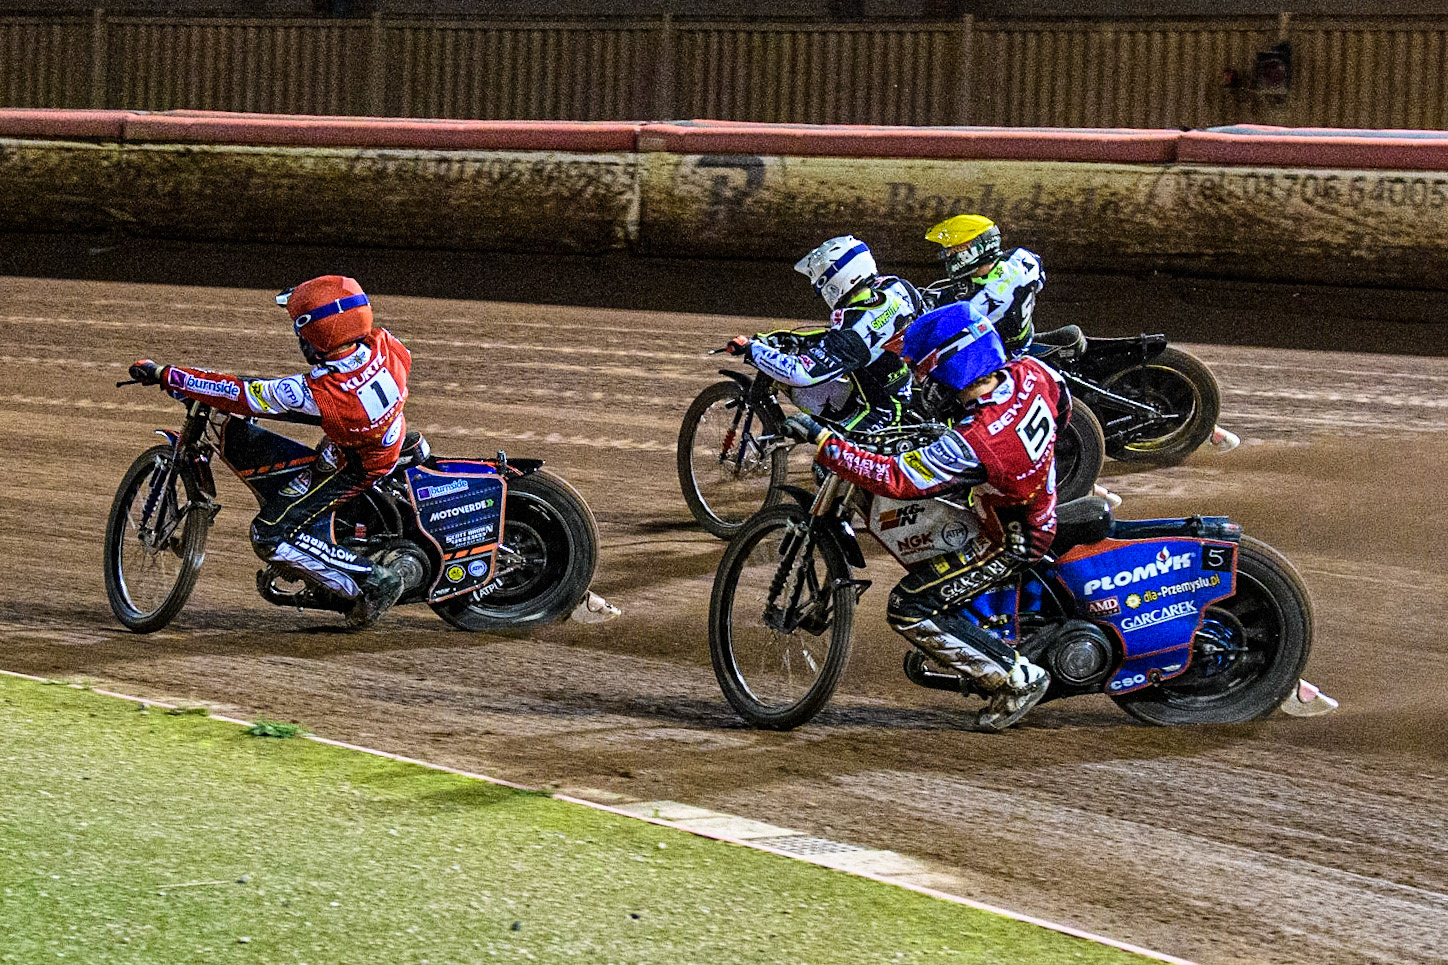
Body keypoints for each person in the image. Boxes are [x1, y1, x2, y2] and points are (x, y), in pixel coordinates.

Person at [782, 301, 1066, 731]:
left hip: (1010, 537)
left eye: (925, 374)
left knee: (909, 606)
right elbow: (1062, 404)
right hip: (1022, 503)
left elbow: (896, 479)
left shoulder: (977, 442)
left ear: (953, 368)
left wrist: (825, 442)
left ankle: (1016, 678)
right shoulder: (1030, 373)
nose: (921, 385)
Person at [129, 274, 412, 629]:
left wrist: (167, 374)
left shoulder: (324, 392)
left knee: (269, 534)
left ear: (316, 334)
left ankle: (371, 581)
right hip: (381, 436)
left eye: (299, 328)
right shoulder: (386, 345)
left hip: (355, 466)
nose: (297, 336)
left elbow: (244, 395)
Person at [725, 235, 924, 433]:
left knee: (828, 455)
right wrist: (796, 339)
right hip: (917, 394)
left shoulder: (852, 331)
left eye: (821, 285)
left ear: (838, 281)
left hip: (884, 413)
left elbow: (800, 374)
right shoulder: (897, 288)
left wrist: (753, 349)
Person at [923, 214, 1044, 357]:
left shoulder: (977, 302)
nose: (949, 254)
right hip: (1024, 339)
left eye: (956, 248)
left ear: (978, 248)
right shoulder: (1023, 258)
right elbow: (1040, 281)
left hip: (998, 360)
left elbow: (941, 328)